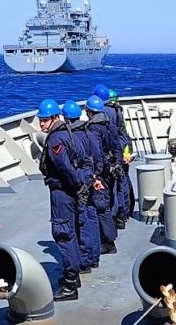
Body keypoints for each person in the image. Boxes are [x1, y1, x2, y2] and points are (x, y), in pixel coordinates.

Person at [37, 98, 88, 301]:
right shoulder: (68, 133)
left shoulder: (55, 140)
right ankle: (74, 277)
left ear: (55, 118)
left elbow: (65, 168)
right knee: (71, 231)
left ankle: (70, 285)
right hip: (69, 191)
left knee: (63, 233)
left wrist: (76, 185)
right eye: (40, 120)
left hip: (62, 193)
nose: (41, 124)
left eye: (44, 120)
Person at [64, 100, 102, 271]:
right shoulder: (89, 133)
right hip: (92, 180)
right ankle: (94, 256)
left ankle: (86, 261)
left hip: (79, 184)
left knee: (82, 221)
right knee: (92, 217)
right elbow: (97, 157)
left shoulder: (71, 137)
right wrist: (95, 177)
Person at [84, 94, 118, 254]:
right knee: (106, 203)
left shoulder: (93, 129)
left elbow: (96, 154)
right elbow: (116, 146)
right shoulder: (109, 124)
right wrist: (115, 164)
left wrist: (95, 174)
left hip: (101, 172)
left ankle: (109, 242)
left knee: (101, 206)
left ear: (89, 111)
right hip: (110, 168)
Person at [97, 85, 134, 229]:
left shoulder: (105, 113)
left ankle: (120, 215)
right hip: (123, 149)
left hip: (115, 152)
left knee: (118, 185)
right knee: (123, 182)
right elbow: (123, 134)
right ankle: (125, 213)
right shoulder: (117, 111)